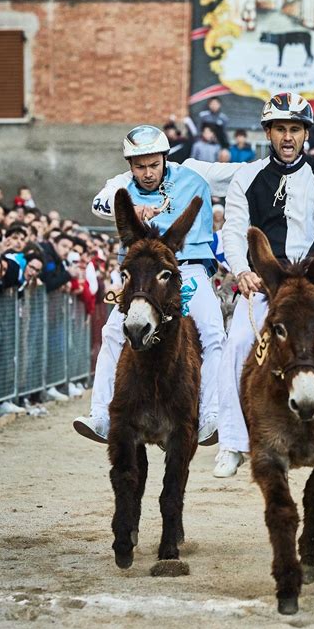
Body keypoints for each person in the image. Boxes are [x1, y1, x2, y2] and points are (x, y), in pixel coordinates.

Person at [214, 92, 314, 478]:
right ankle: (233, 443)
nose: (287, 137)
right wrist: (241, 270)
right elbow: (235, 231)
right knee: (237, 341)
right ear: (268, 133)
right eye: (279, 129)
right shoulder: (246, 177)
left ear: (305, 134)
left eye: (294, 129)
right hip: (264, 284)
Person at [73, 125, 242, 446]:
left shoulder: (195, 172)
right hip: (141, 275)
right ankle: (101, 416)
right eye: (139, 166)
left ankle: (210, 416)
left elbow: (241, 175)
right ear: (130, 166)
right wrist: (130, 208)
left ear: (165, 158)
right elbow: (100, 202)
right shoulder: (122, 184)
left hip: (189, 269)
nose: (147, 173)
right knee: (112, 332)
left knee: (213, 334)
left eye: (153, 164)